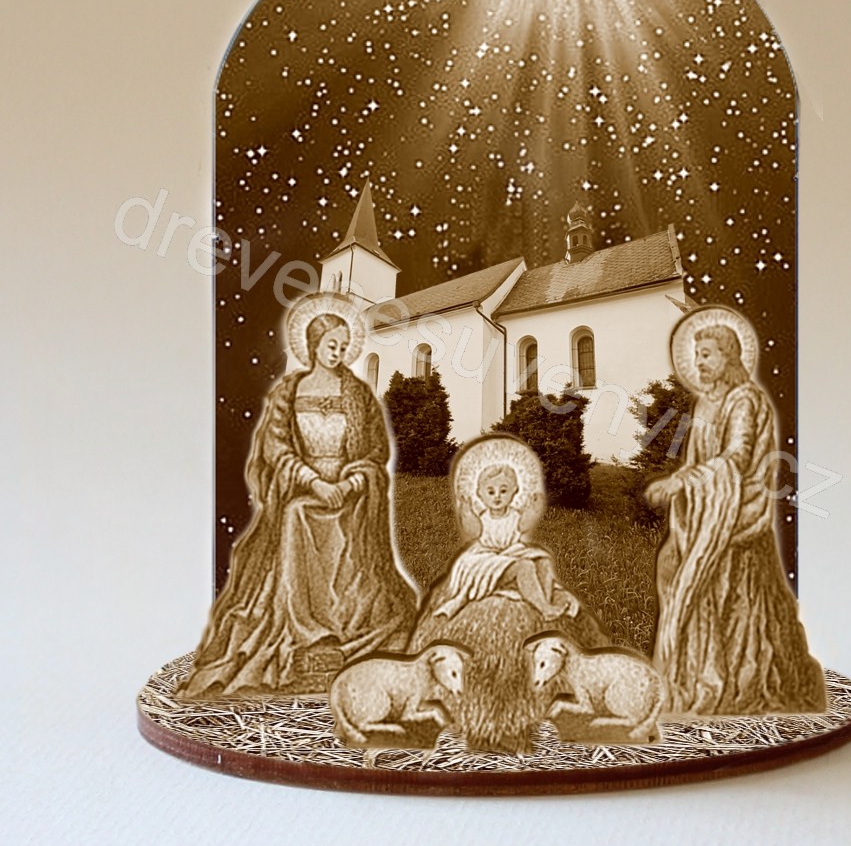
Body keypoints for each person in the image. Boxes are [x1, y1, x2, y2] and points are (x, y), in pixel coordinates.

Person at [177, 292, 416, 698]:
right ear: (313, 345)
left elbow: (376, 451)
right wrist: (314, 482)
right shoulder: (289, 392)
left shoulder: (358, 395)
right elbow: (276, 448)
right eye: (331, 345)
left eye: (344, 346)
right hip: (304, 490)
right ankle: (306, 628)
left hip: (351, 494)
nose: (338, 353)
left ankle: (346, 625)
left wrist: (351, 482)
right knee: (296, 516)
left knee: (352, 542)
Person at [645, 308, 826, 715]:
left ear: (728, 355)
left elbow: (737, 458)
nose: (699, 362)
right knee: (671, 564)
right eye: (696, 355)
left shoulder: (745, 400)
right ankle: (690, 674)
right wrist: (680, 481)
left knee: (728, 594)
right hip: (706, 514)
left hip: (737, 518)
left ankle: (733, 683)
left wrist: (684, 483)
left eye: (706, 354)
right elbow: (696, 460)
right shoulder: (704, 403)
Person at [434, 460, 578, 621]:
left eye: (503, 491)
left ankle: (541, 602)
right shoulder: (482, 518)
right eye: (491, 492)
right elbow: (473, 531)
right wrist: (467, 511)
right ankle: (545, 609)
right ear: (480, 494)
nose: (497, 496)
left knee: (543, 562)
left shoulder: (515, 515)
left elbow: (524, 524)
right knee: (525, 566)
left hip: (510, 555)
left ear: (514, 491)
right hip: (488, 561)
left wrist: (533, 509)